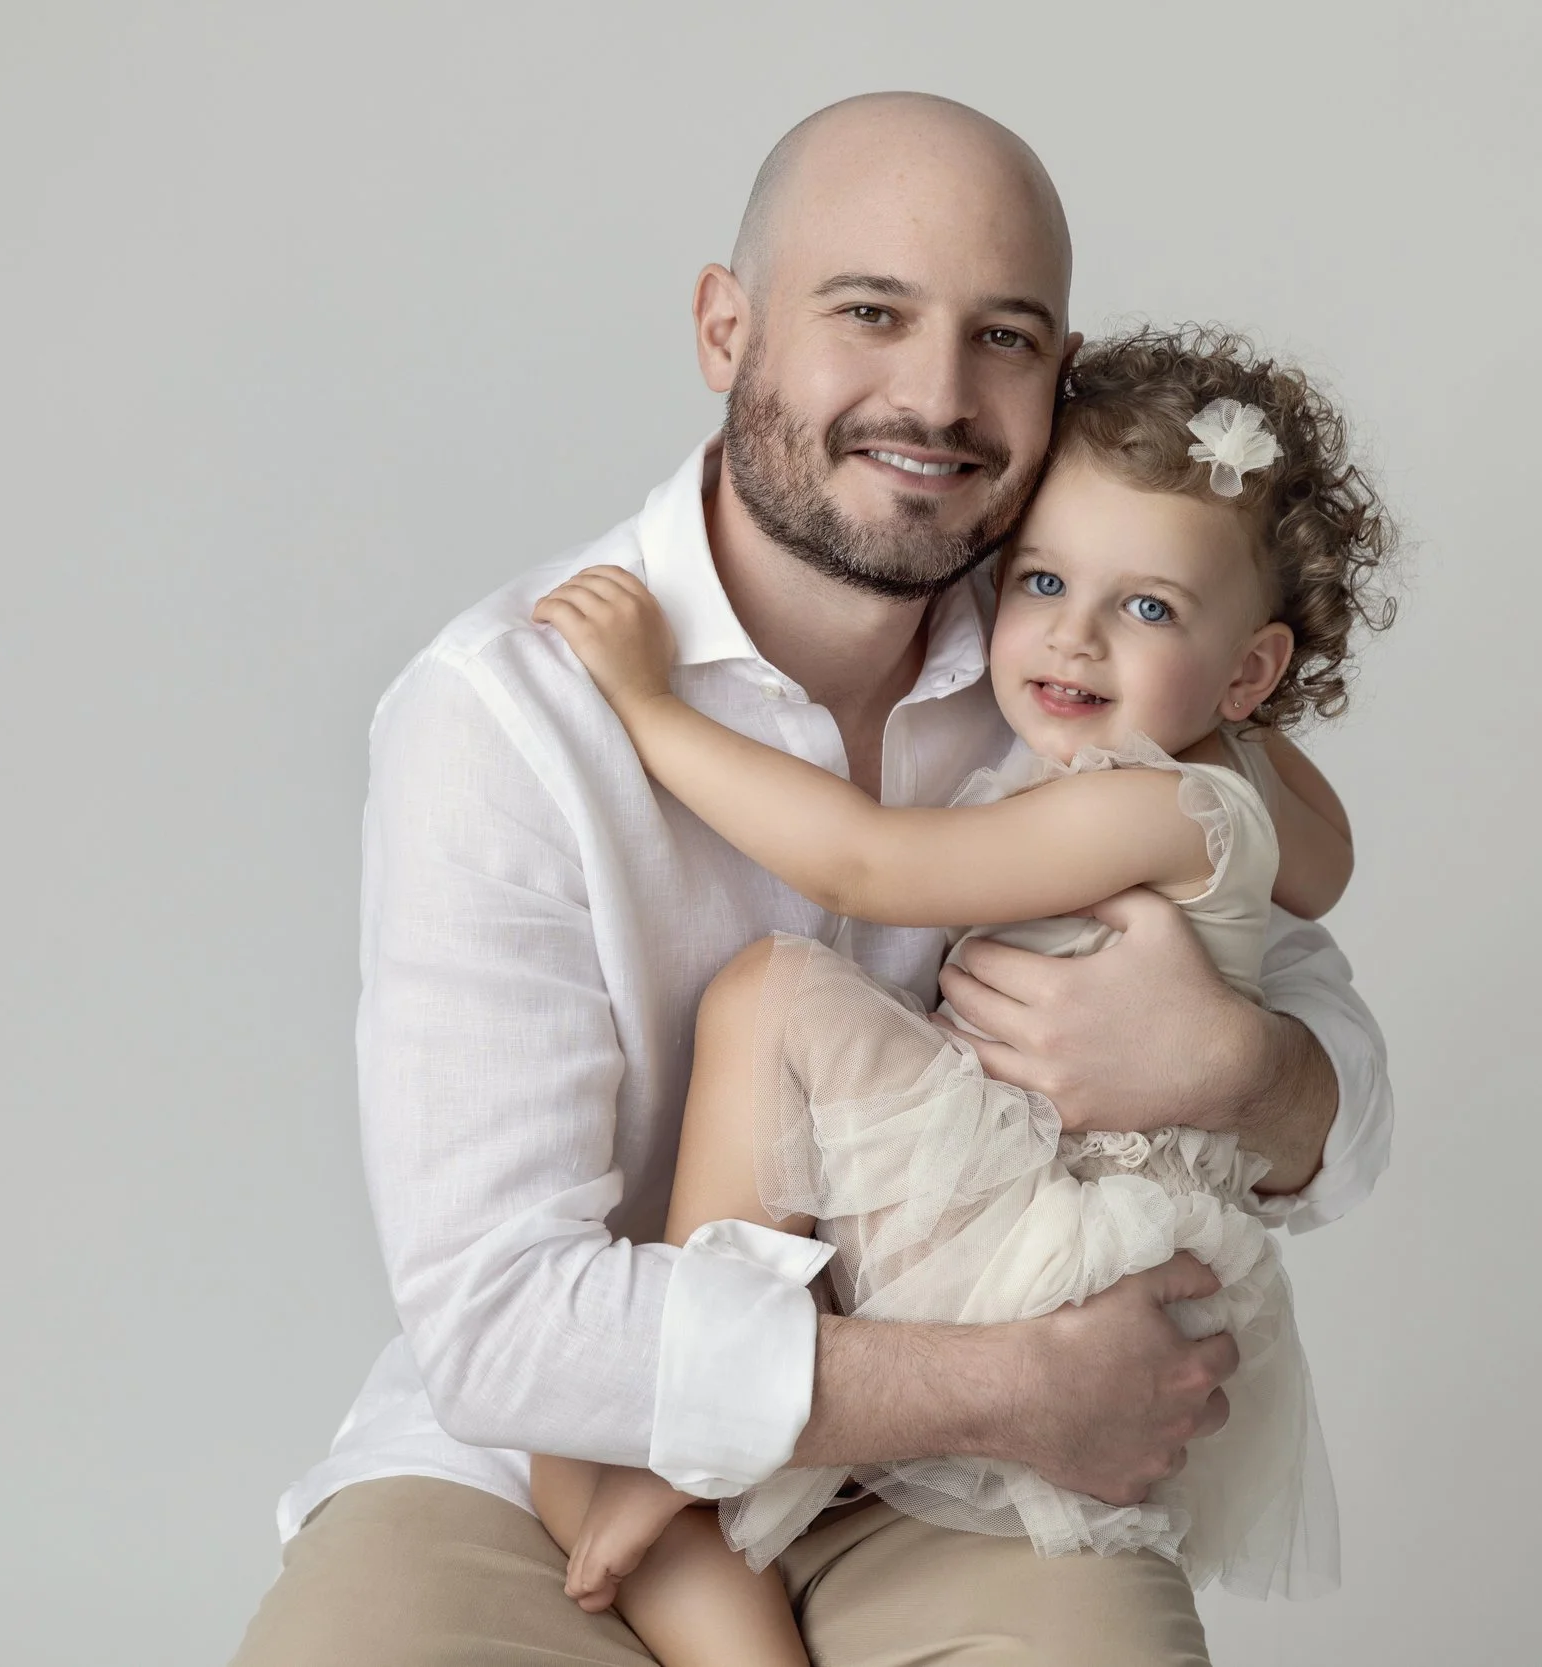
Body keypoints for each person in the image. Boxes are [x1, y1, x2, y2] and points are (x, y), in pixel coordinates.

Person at [229, 92, 1393, 1667]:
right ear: (726, 326)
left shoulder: (1088, 646)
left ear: (1059, 374)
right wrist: (1014, 1384)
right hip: (567, 1443)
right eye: (870, 311)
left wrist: (1239, 1063)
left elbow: (1326, 1064)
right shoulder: (507, 712)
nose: (934, 393)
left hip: (947, 1486)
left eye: (1003, 335)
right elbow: (504, 1323)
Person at [525, 325, 1396, 1665]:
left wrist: (649, 709)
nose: (1074, 637)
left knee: (767, 998)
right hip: (1035, 1213)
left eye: (1147, 607)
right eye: (1042, 579)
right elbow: (1327, 867)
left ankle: (697, 1415)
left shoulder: (1153, 803)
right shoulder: (1229, 770)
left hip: (1030, 1239)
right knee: (550, 1466)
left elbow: (872, 863)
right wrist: (1191, 659)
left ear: (1251, 671)